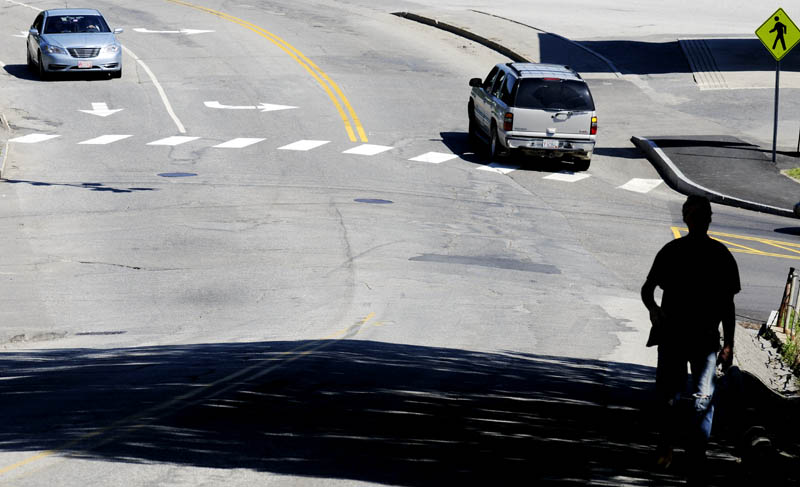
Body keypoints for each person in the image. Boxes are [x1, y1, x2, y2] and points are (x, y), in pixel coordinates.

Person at [641, 195, 740, 480]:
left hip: (703, 339)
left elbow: (727, 305)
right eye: (694, 217)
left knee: (699, 398)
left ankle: (692, 456)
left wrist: (729, 343)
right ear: (688, 219)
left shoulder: (717, 255)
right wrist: (654, 311)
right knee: (678, 397)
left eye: (700, 216)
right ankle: (668, 448)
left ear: (706, 220)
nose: (697, 222)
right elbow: (648, 291)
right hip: (678, 336)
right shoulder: (677, 251)